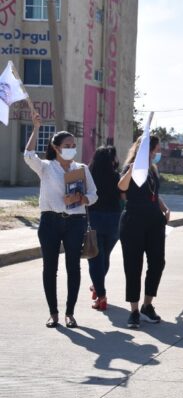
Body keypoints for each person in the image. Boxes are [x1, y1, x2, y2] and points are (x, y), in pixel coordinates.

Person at [23, 111, 97, 328]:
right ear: (56, 148)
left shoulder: (81, 169)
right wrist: (36, 128)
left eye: (74, 144)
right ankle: (53, 313)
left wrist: (83, 197)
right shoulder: (46, 167)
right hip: (50, 222)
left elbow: (94, 195)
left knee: (73, 267)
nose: (72, 148)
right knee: (50, 268)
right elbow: (28, 155)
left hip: (75, 222)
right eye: (67, 144)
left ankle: (70, 313)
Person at [118, 135, 171, 329]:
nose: (157, 154)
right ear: (146, 151)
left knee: (157, 262)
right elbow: (121, 188)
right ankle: (133, 311)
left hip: (154, 221)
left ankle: (147, 305)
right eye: (155, 150)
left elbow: (153, 194)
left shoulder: (152, 169)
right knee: (134, 265)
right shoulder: (131, 168)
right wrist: (132, 170)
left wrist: (164, 207)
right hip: (133, 221)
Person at [87, 145, 122, 311]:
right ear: (112, 160)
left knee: (95, 258)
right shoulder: (117, 177)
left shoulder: (89, 175)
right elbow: (123, 196)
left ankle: (101, 295)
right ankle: (97, 288)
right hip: (114, 220)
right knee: (104, 257)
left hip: (93, 219)